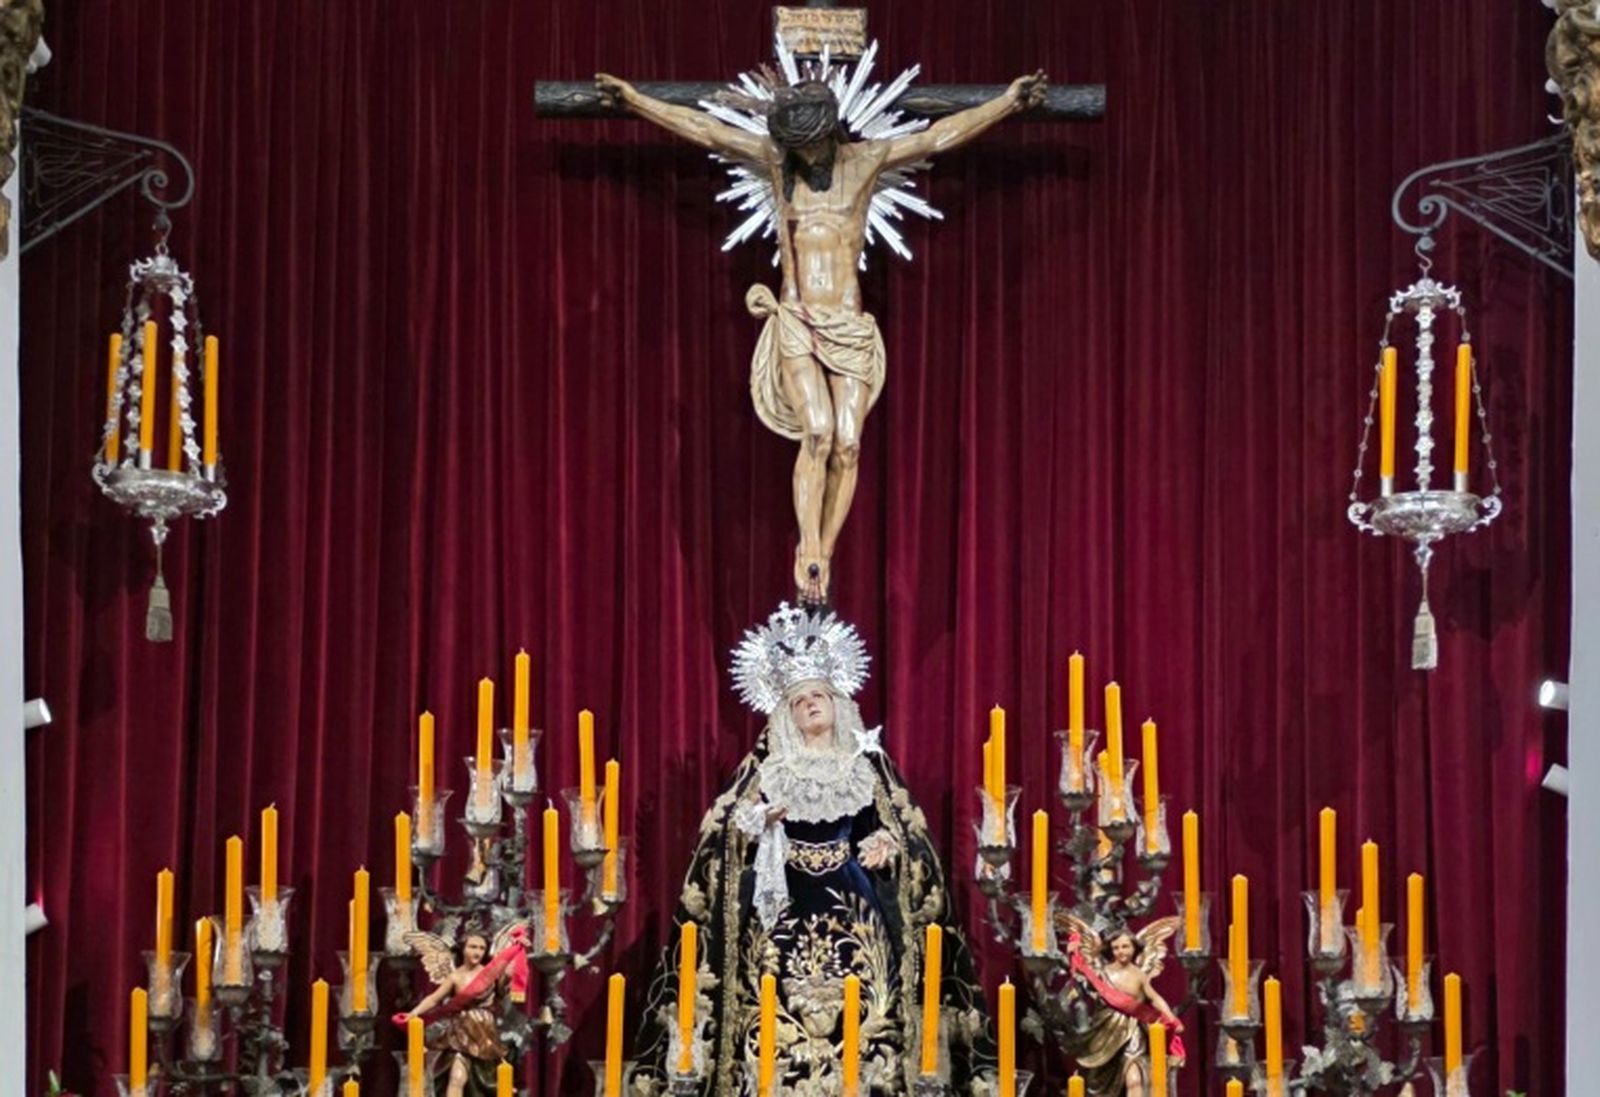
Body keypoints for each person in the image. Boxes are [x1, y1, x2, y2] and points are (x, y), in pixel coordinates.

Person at [593, 69, 1047, 603]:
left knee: (849, 445)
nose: (801, 156)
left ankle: (824, 552)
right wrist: (636, 102)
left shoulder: (864, 163)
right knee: (817, 431)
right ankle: (807, 547)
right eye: (794, 146)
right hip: (797, 320)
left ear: (829, 135)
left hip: (848, 326)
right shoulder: (775, 163)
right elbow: (707, 131)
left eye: (808, 145)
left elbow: (934, 138)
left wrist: (1007, 103)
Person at [630, 603, 993, 1094]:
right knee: (769, 992)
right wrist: (762, 819)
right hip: (782, 900)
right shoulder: (771, 771)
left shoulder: (862, 767)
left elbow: (895, 829)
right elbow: (729, 830)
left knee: (866, 1002)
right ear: (787, 716)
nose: (811, 706)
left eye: (820, 696)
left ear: (838, 704)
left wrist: (885, 843)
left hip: (855, 899)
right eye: (800, 702)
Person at [395, 925, 531, 1097]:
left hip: (485, 1033)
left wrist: (510, 972)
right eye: (473, 946)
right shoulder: (455, 976)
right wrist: (414, 1013)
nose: (478, 952)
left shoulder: (491, 972)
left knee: (488, 1081)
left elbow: (502, 990)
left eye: (482, 948)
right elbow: (434, 999)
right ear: (463, 948)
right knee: (457, 1077)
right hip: (461, 1031)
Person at [1063, 919, 1187, 1097]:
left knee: (1134, 1079)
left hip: (1133, 1032)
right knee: (1101, 1082)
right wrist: (1074, 950)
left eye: (1125, 946)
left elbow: (1155, 998)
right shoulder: (1102, 972)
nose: (1121, 951)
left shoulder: (1140, 975)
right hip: (1105, 1031)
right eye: (1116, 947)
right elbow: (1079, 970)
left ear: (1134, 948)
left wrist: (1172, 1019)